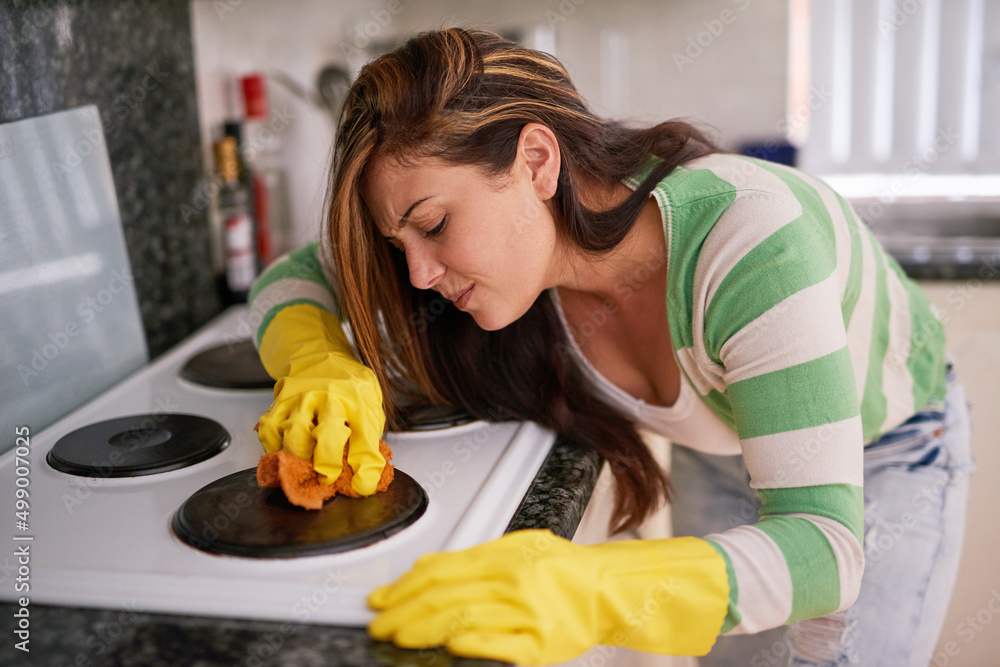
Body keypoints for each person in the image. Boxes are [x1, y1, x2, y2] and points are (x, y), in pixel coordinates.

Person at [248, 28, 974, 666]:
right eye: (395, 242)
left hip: (888, 447)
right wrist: (320, 361)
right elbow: (287, 280)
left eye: (433, 224)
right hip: (721, 447)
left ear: (535, 162)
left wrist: (593, 591)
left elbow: (822, 550)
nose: (419, 275)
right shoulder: (519, 274)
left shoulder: (754, 242)